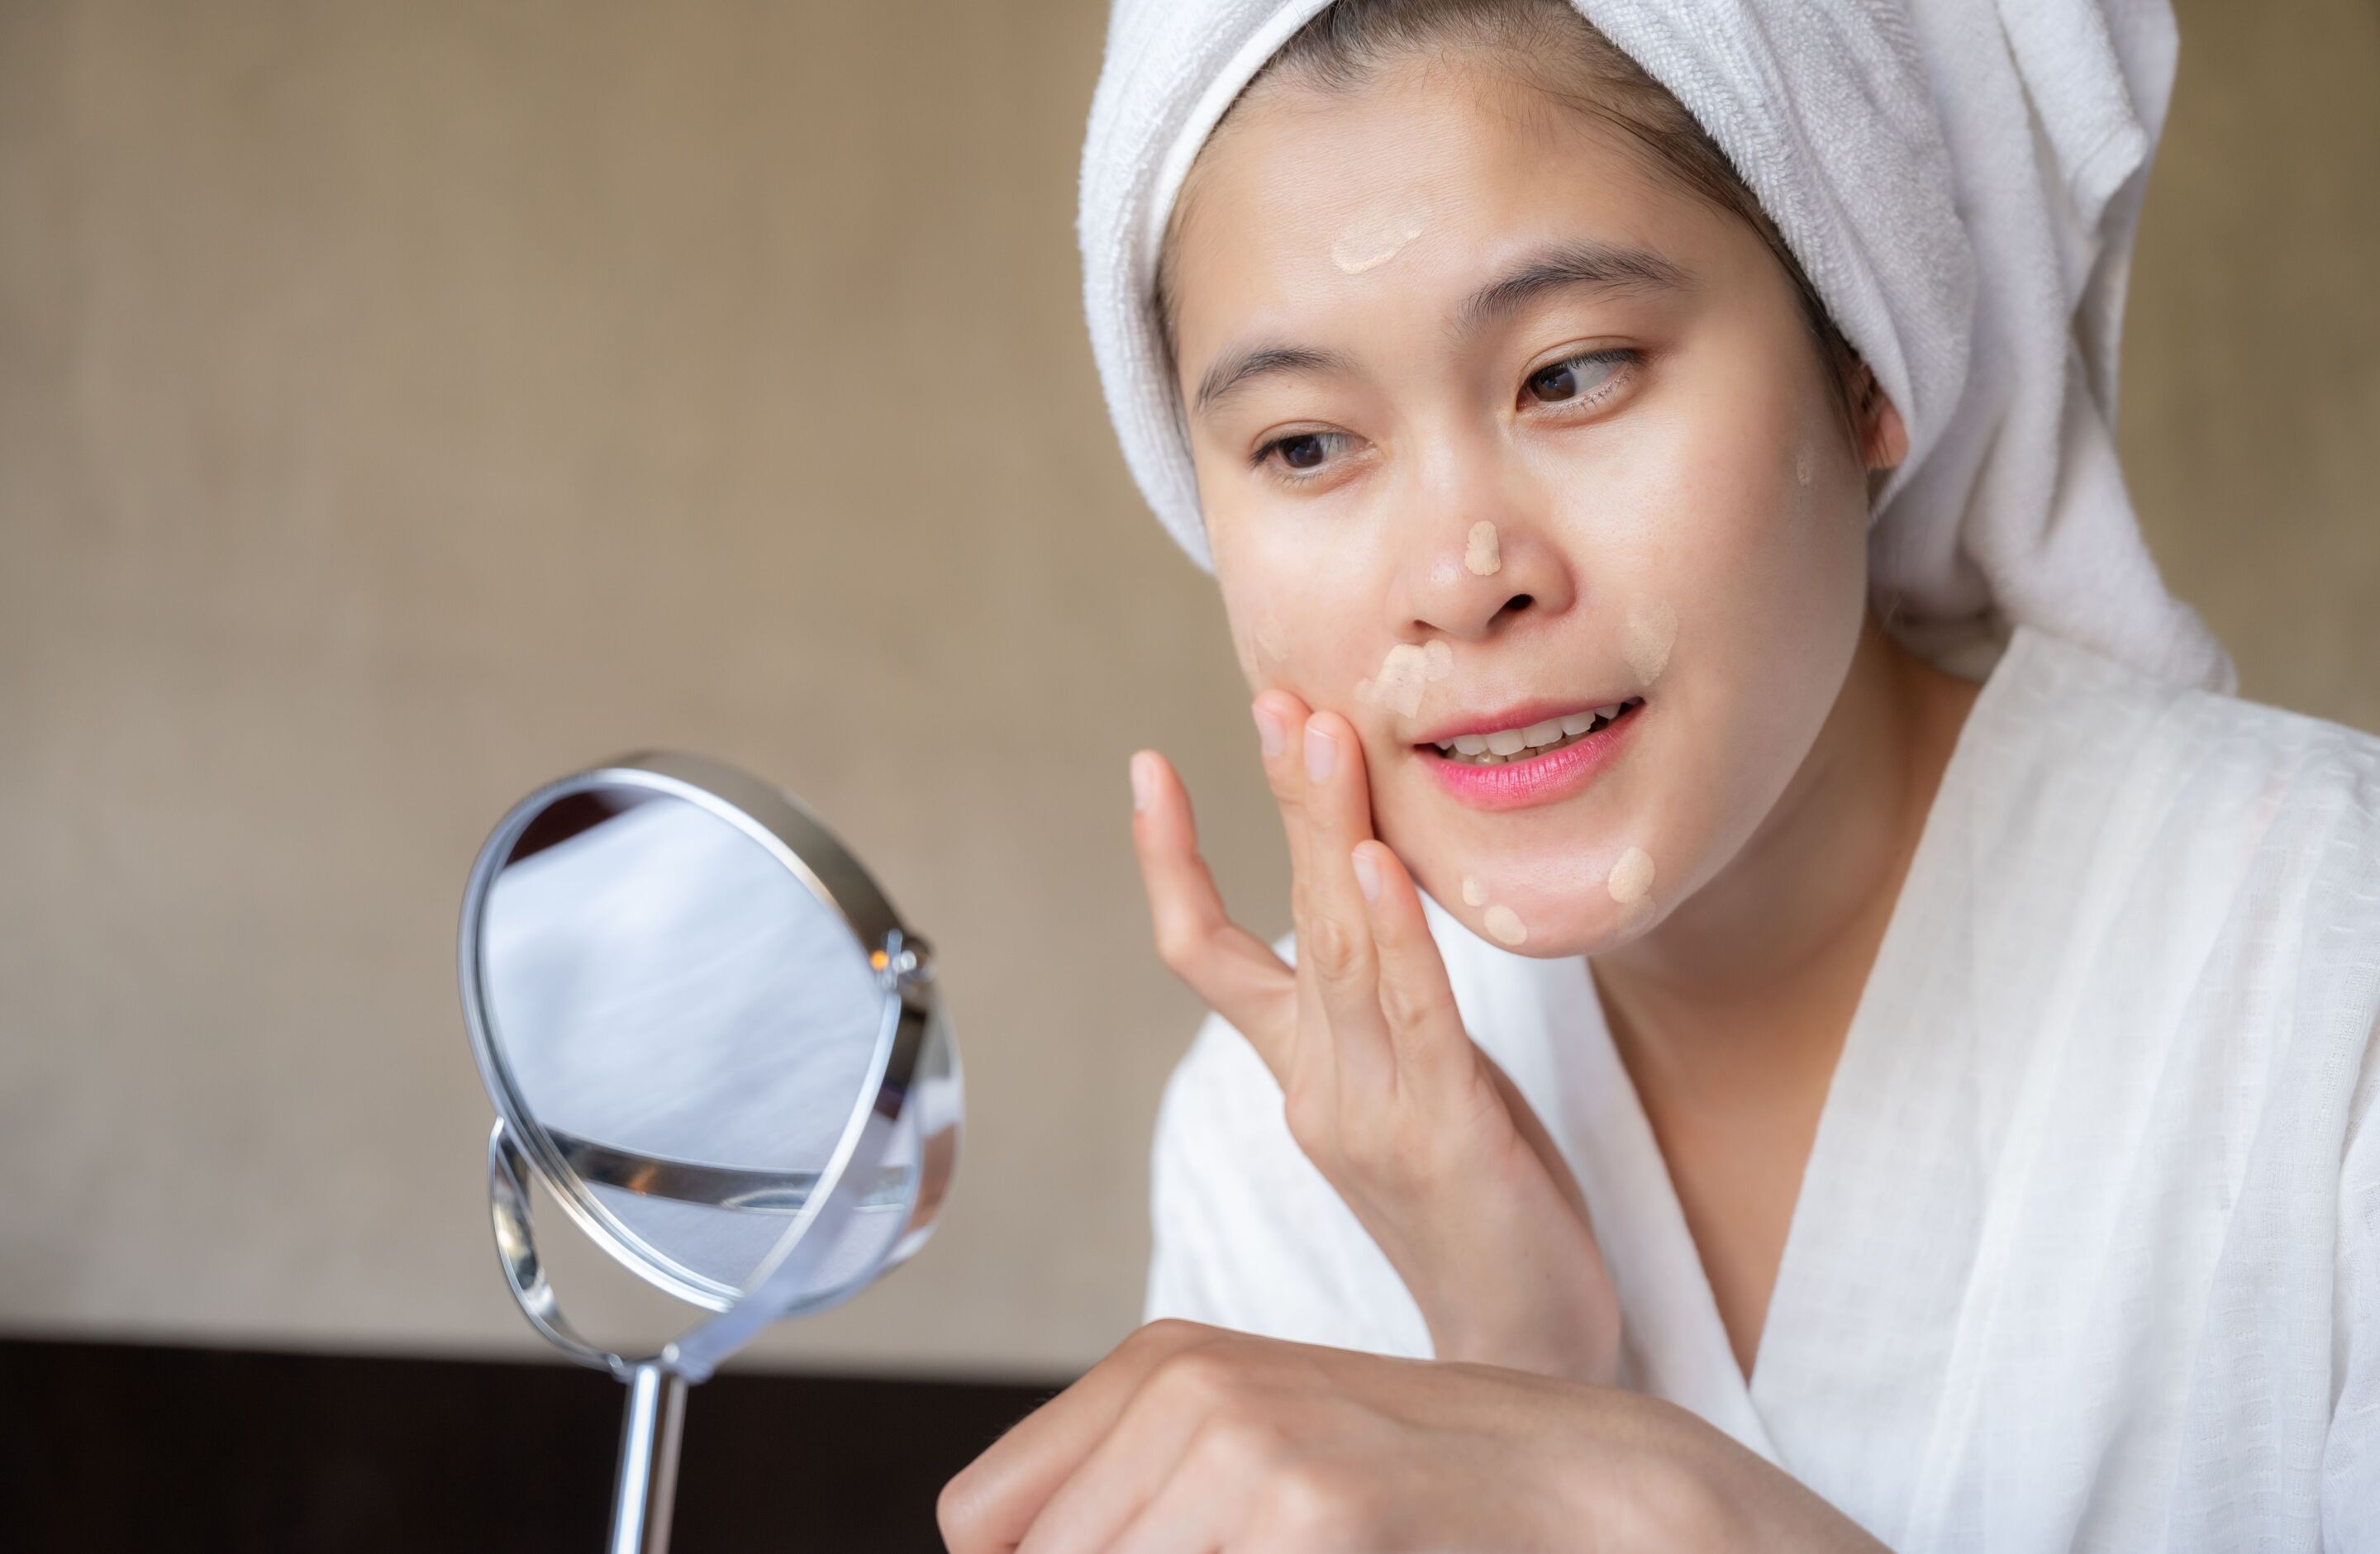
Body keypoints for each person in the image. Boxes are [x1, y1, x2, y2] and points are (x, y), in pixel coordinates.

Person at [942, 0, 2380, 1547]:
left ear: (1863, 359)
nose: (1458, 573)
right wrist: (1514, 1360)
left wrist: (1654, 1492)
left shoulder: (2323, 977)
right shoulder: (1281, 1142)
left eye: (1572, 374)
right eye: (1303, 446)